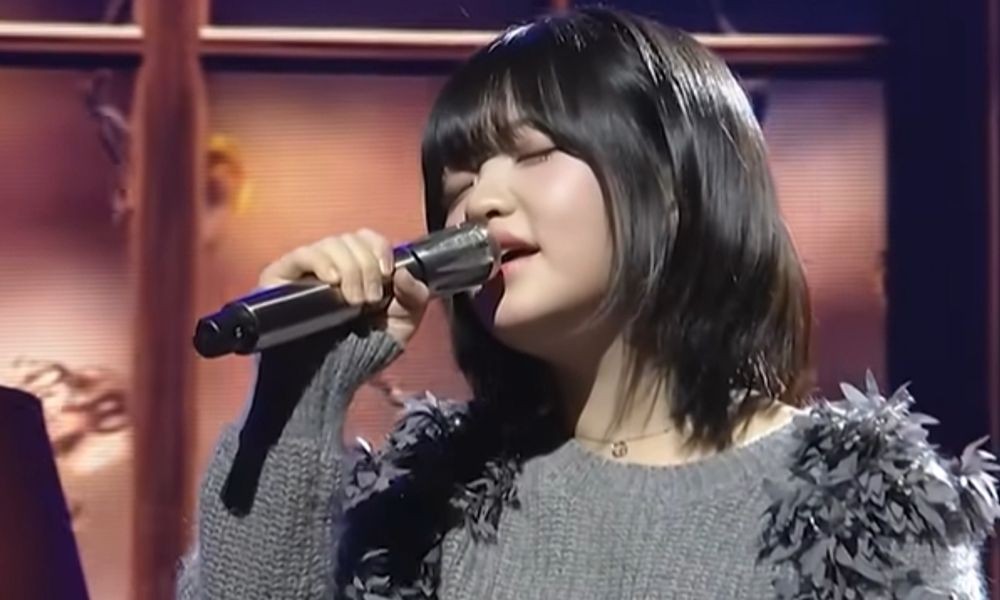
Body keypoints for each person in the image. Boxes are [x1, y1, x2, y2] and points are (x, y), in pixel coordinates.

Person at [176, 8, 998, 599]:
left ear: (674, 193)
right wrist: (293, 395)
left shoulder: (861, 507)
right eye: (457, 182)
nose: (477, 203)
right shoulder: (426, 505)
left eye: (532, 155)